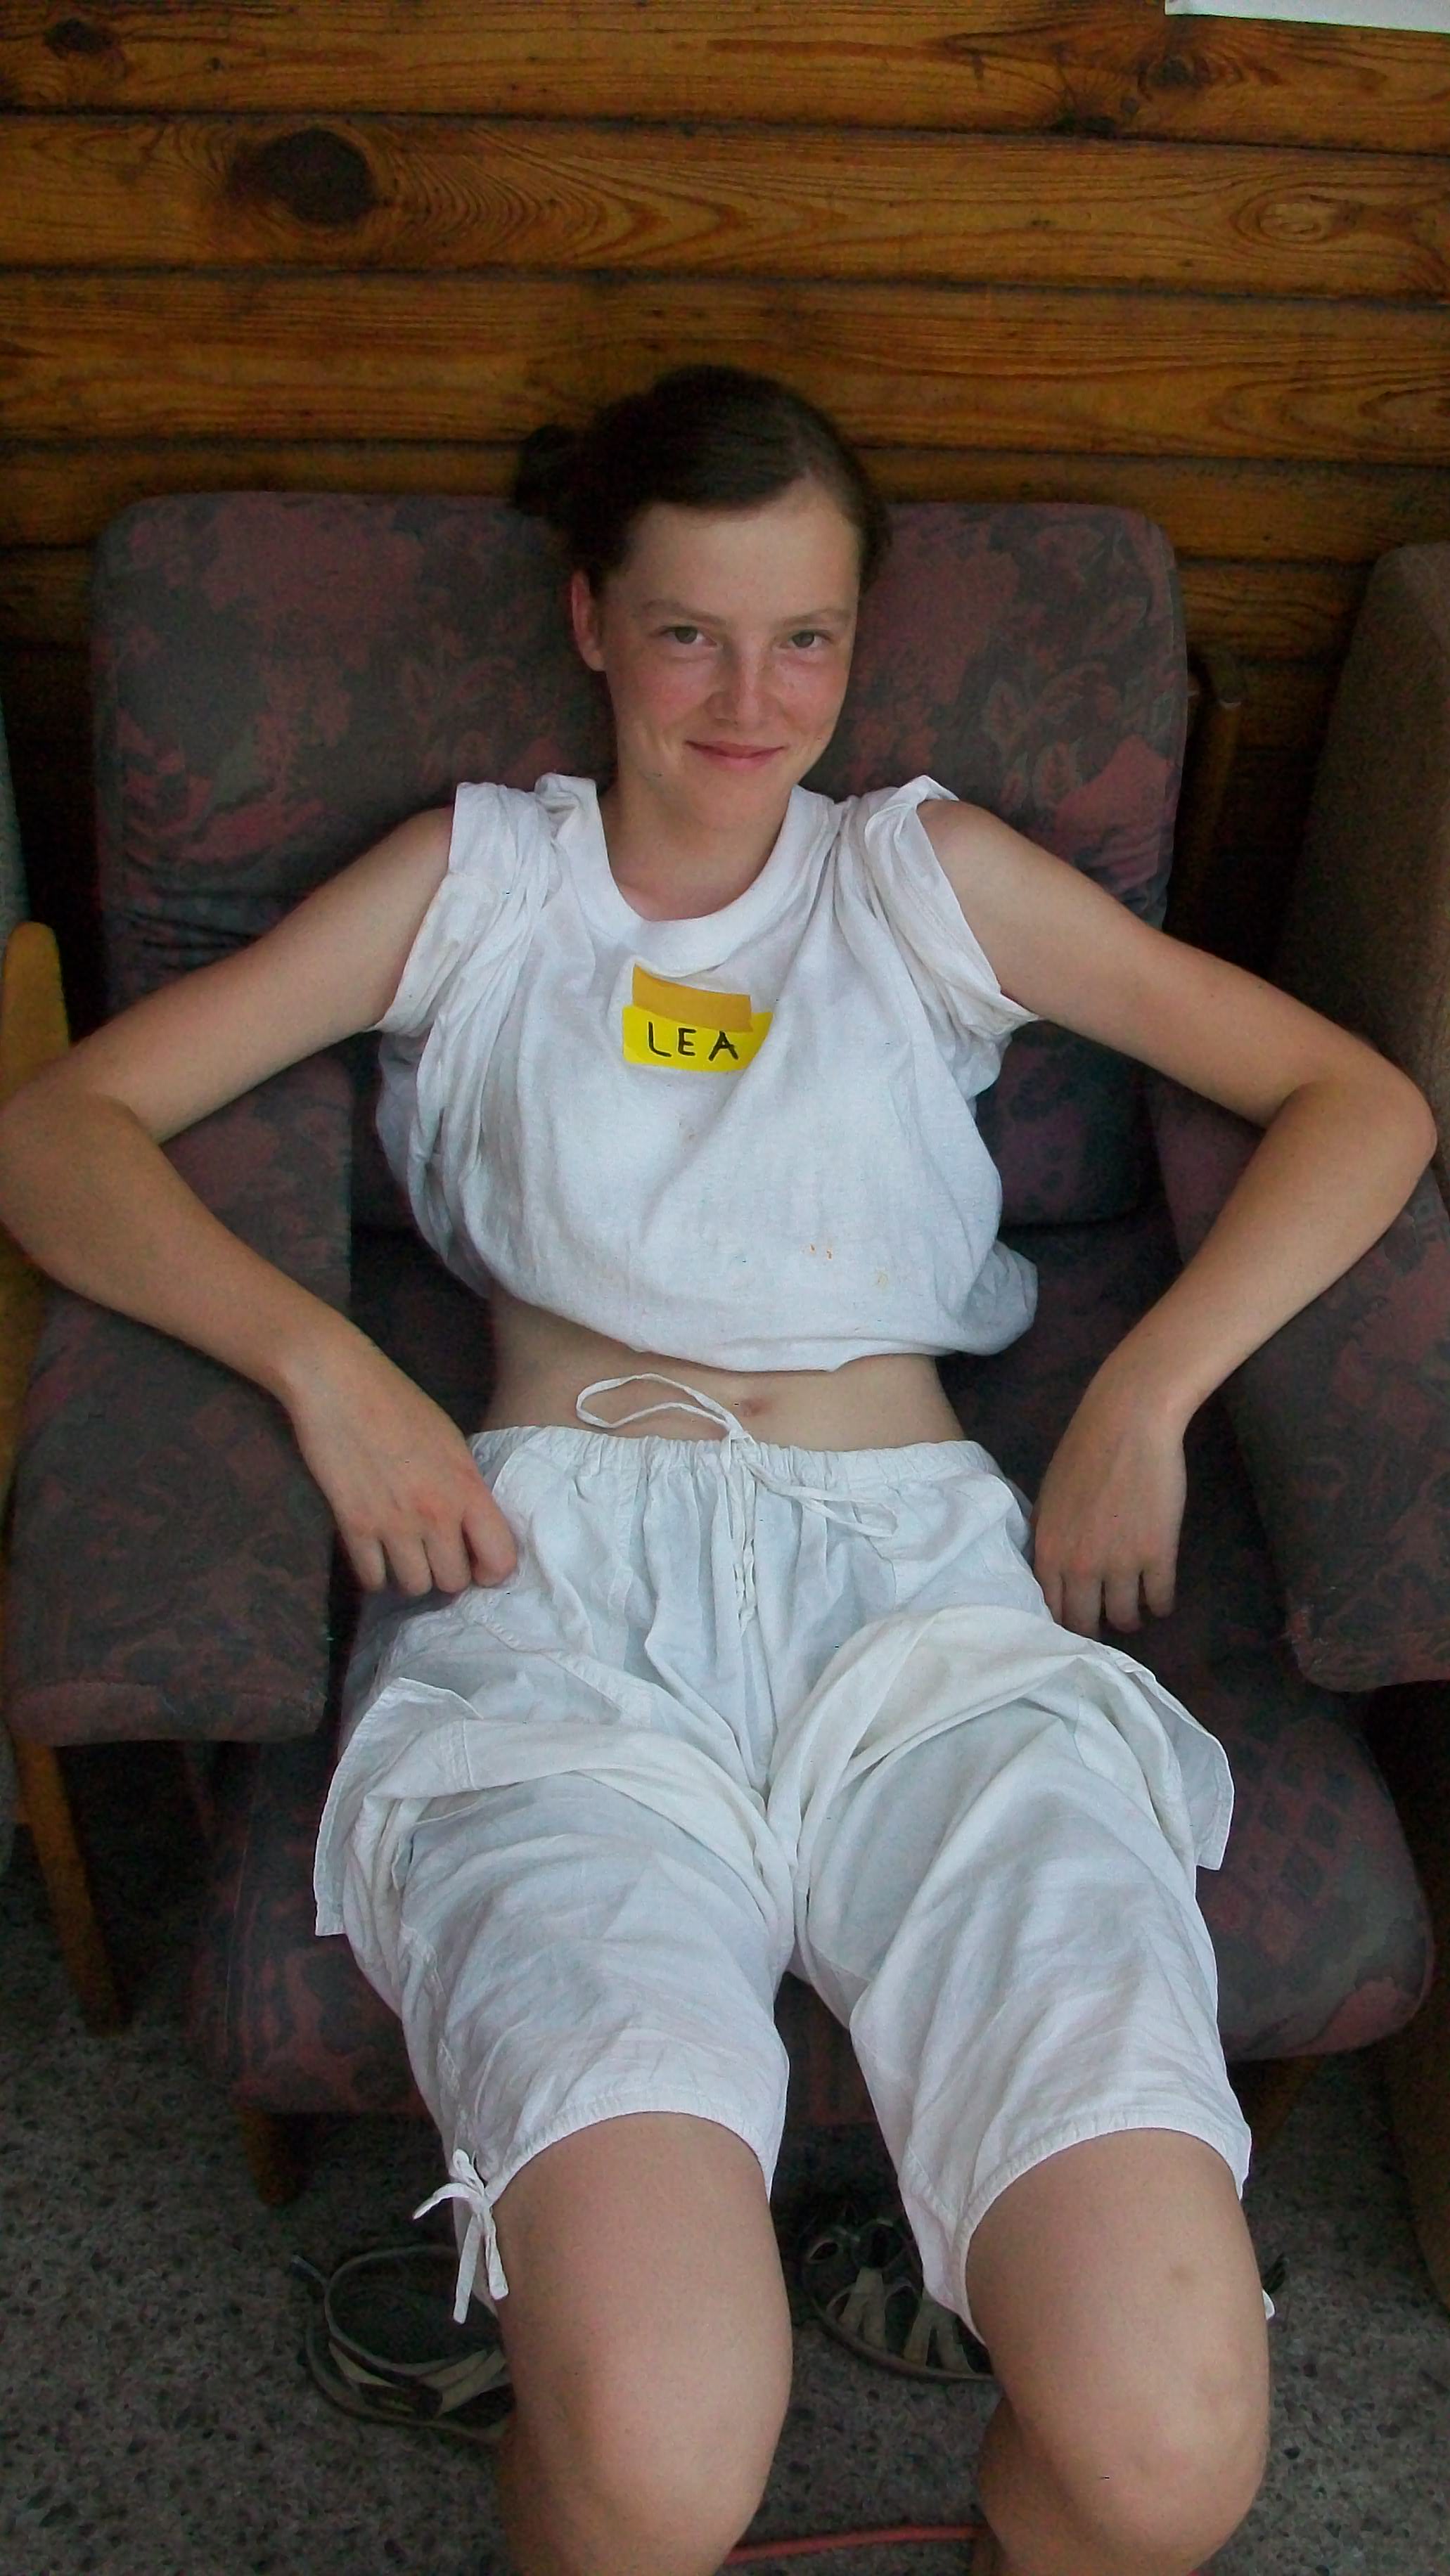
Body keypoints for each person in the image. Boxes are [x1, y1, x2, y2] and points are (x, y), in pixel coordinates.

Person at [0, 364, 1433, 2576]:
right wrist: (324, 1371)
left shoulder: (921, 877)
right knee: (664, 2447)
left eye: (805, 639)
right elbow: (57, 1131)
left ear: (856, 643)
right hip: (560, 1610)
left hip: (927, 1616)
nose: (751, 700)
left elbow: (1361, 1104)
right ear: (592, 620)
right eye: (690, 633)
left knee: (1166, 2452)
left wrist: (1148, 1392)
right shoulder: (479, 882)